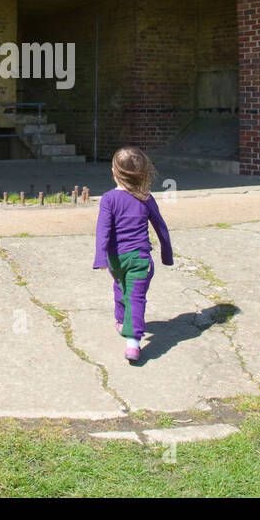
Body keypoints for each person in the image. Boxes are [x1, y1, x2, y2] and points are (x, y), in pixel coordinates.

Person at [92, 146, 173, 364]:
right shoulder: (145, 197)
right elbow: (161, 227)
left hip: (116, 259)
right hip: (139, 259)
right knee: (134, 296)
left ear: (115, 173)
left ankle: (127, 329)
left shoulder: (109, 198)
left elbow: (103, 230)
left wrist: (100, 258)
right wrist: (167, 255)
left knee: (122, 289)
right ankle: (131, 337)